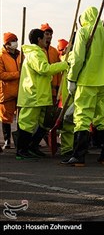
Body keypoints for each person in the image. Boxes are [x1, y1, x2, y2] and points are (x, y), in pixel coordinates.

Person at [61, 6, 104, 166]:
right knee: (103, 118)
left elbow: (77, 59)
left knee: (82, 118)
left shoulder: (84, 32)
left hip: (86, 82)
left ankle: (79, 156)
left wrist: (71, 79)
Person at [15, 29, 69, 159]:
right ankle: (22, 150)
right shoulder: (35, 53)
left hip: (39, 95)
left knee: (44, 122)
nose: (47, 39)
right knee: (27, 123)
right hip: (33, 95)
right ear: (39, 39)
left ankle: (32, 146)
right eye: (44, 37)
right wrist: (65, 65)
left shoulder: (37, 53)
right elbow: (44, 69)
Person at [0, 32, 21, 150]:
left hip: (20, 91)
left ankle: (20, 140)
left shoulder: (20, 55)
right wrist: (18, 74)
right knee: (6, 118)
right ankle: (7, 140)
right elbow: (1, 74)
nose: (15, 42)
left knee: (21, 117)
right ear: (6, 43)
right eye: (13, 40)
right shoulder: (1, 56)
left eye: (16, 40)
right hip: (7, 91)